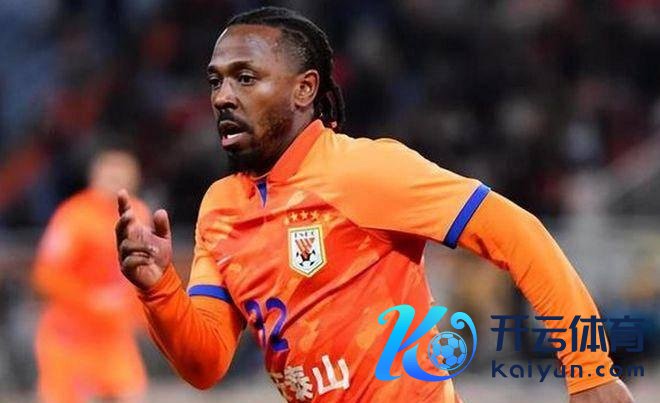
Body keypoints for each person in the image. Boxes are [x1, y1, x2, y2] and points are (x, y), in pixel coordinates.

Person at [115, 7, 634, 402]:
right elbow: (205, 363)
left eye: (245, 78)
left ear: (305, 89)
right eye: (216, 80)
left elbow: (518, 232)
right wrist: (159, 289)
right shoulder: (221, 208)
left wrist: (589, 369)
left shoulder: (365, 171)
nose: (223, 96)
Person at [34, 150, 149, 403]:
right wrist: (91, 301)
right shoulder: (74, 216)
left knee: (131, 395)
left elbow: (143, 274)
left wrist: (141, 314)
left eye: (123, 177)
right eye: (111, 176)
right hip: (70, 336)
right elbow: (46, 275)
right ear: (94, 177)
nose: (116, 183)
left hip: (113, 337)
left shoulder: (139, 215)